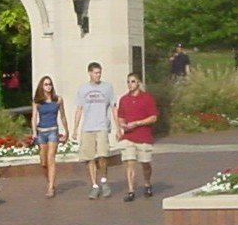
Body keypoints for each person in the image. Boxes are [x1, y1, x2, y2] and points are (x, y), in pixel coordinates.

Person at [72, 61, 118, 199]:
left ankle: (104, 181)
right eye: (96, 73)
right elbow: (79, 109)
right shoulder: (83, 89)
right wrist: (75, 129)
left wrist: (118, 127)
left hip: (102, 126)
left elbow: (113, 108)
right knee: (90, 158)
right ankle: (94, 185)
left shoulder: (107, 88)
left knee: (103, 156)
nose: (98, 75)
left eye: (99, 73)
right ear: (90, 73)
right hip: (87, 128)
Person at [116, 72, 159, 201]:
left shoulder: (147, 98)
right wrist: (122, 125)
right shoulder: (124, 99)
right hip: (129, 136)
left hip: (143, 135)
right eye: (128, 82)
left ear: (138, 83)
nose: (130, 84)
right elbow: (120, 116)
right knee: (129, 162)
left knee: (145, 163)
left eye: (133, 81)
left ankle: (147, 183)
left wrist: (138, 123)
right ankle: (131, 191)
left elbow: (153, 117)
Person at [31, 75, 69, 198]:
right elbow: (34, 117)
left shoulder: (57, 100)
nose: (48, 86)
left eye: (50, 84)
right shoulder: (37, 101)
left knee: (50, 158)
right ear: (42, 86)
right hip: (41, 132)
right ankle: (49, 181)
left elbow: (62, 116)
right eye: (46, 84)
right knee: (43, 162)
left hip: (53, 130)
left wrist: (67, 131)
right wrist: (34, 133)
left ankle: (51, 187)